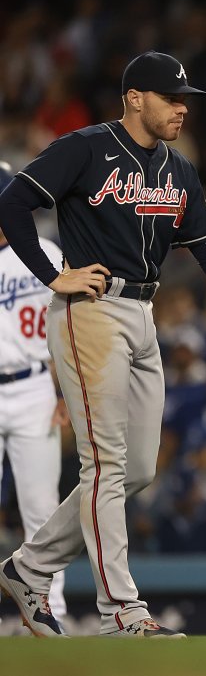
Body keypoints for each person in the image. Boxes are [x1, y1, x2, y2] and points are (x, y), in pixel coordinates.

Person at [0, 51, 206, 638]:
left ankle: (29, 567)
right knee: (105, 466)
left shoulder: (179, 169)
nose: (182, 108)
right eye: (172, 98)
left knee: (137, 468)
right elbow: (13, 202)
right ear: (135, 97)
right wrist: (49, 274)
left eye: (186, 100)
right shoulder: (83, 148)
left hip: (143, 314)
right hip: (90, 310)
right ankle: (123, 611)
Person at [0, 161, 69, 628]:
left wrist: (64, 391)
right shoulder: (42, 248)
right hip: (35, 385)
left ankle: (50, 610)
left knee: (42, 510)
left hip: (35, 386)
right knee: (42, 510)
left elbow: (68, 324)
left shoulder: (42, 249)